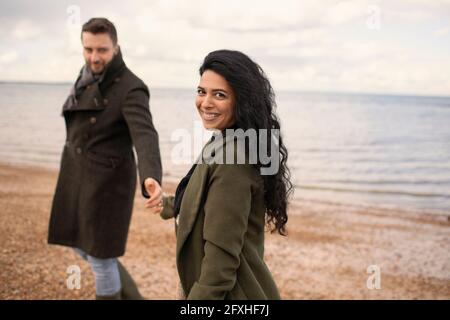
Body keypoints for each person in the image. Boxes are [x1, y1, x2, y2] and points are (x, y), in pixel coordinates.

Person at [148, 49, 292, 299]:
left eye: (220, 95)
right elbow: (206, 199)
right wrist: (167, 203)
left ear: (242, 100)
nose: (205, 102)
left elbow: (220, 262)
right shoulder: (225, 139)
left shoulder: (233, 160)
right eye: (202, 91)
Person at [48, 18, 163, 300]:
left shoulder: (131, 88)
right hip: (78, 176)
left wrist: (151, 177)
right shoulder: (86, 75)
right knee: (82, 246)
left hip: (107, 186)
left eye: (102, 50)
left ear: (116, 47)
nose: (94, 57)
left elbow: (145, 135)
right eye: (88, 49)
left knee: (101, 258)